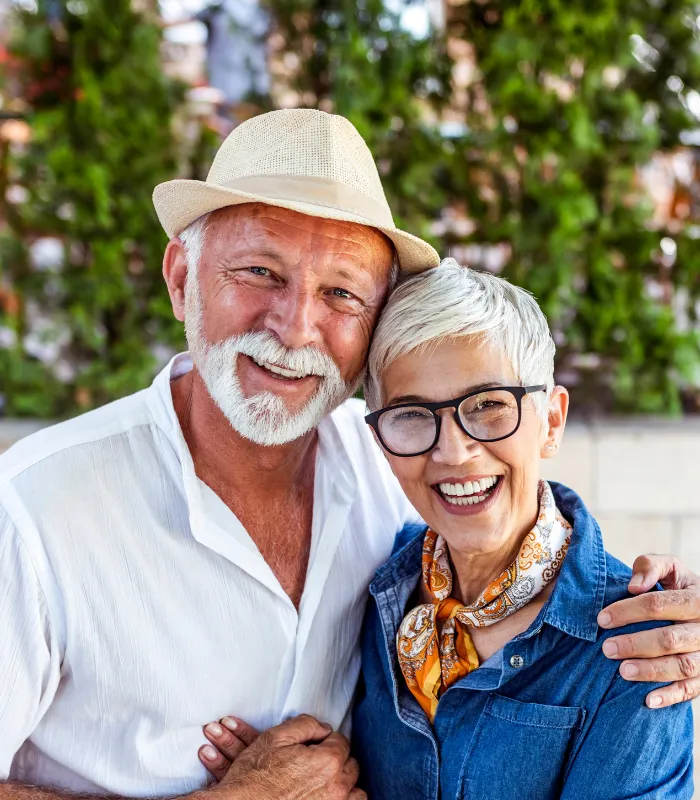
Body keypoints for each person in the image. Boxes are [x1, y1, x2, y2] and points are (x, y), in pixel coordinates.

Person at [0, 110, 698, 800]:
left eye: (341, 292)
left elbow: (519, 533)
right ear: (182, 277)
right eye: (260, 272)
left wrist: (672, 603)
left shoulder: (390, 467)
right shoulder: (34, 508)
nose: (296, 327)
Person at [350, 261, 693, 798]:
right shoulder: (372, 591)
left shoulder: (637, 652)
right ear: (380, 441)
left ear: (551, 422)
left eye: (488, 406)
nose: (453, 451)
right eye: (413, 414)